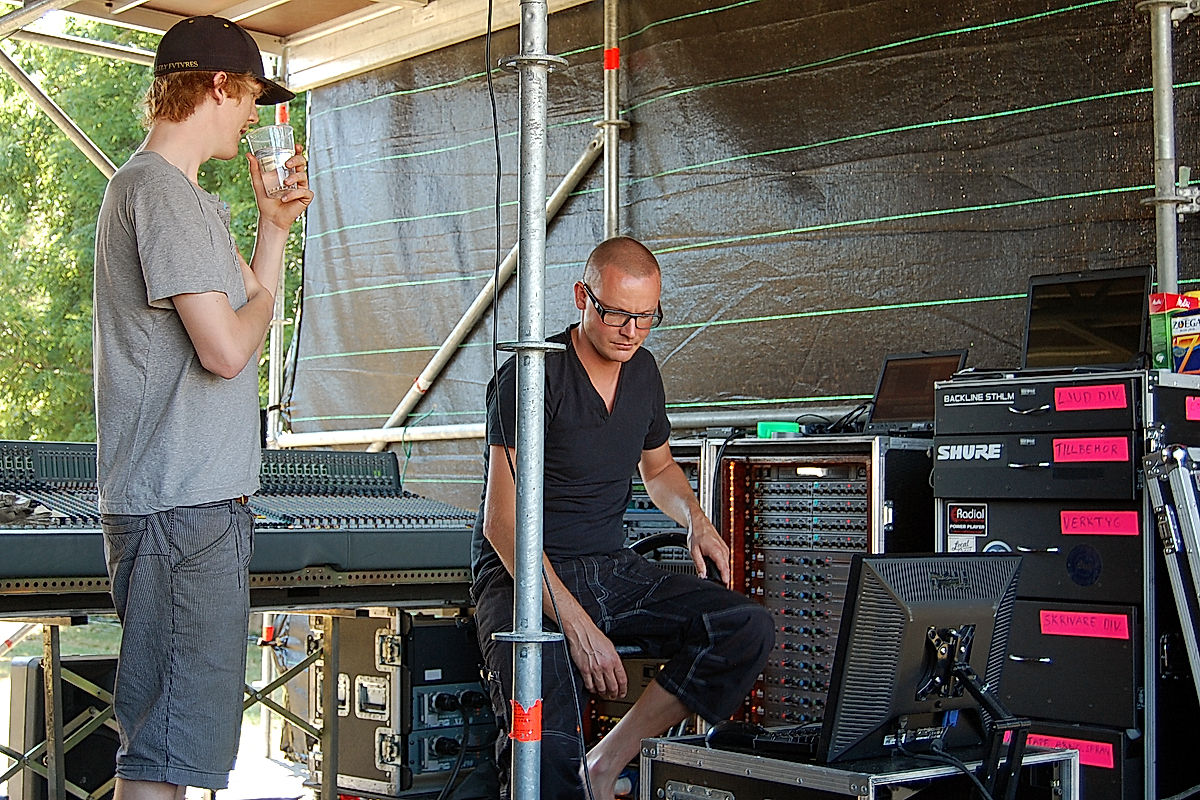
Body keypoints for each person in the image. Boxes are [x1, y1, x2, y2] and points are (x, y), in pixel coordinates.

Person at [92, 15, 312, 798]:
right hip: (181, 508)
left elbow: (254, 298)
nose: (255, 115)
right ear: (218, 85)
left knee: (176, 748)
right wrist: (251, 322)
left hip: (191, 505)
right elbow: (227, 348)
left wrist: (274, 226)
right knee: (165, 757)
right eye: (251, 95)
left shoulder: (183, 199)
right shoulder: (157, 191)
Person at [471, 236, 775, 799]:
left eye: (645, 317)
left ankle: (610, 758)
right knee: (545, 752)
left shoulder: (644, 373)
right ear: (582, 297)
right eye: (617, 314)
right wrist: (577, 625)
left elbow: (658, 471)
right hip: (525, 575)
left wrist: (695, 519)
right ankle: (572, 769)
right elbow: (502, 525)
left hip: (608, 566)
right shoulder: (532, 376)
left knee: (743, 626)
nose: (631, 331)